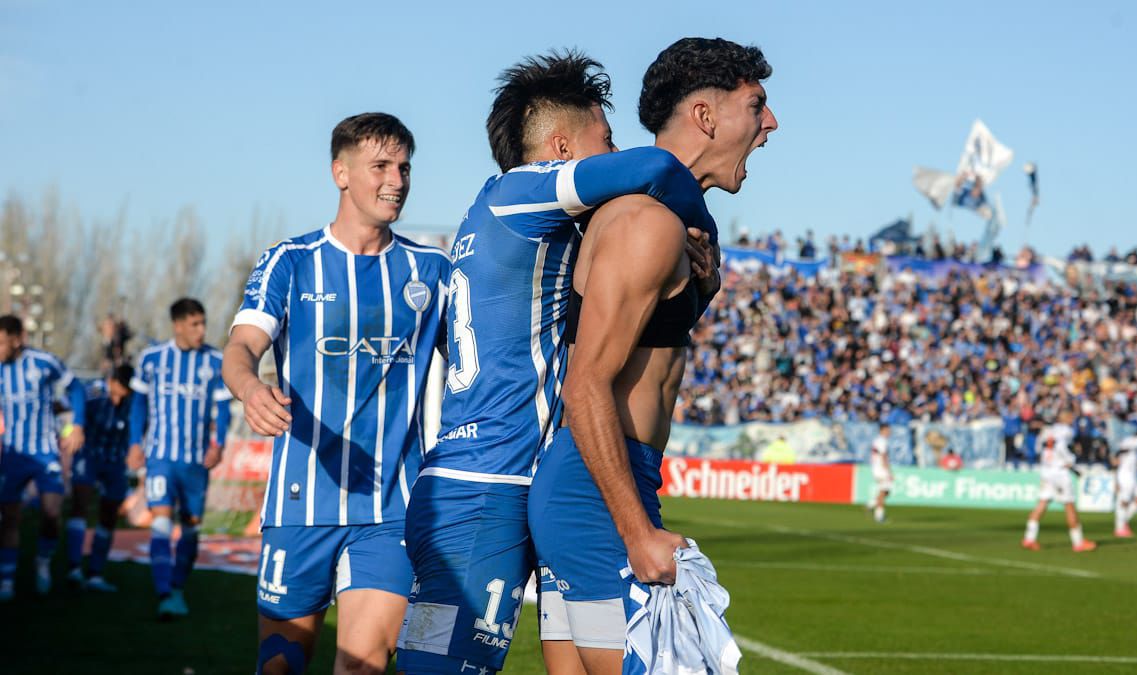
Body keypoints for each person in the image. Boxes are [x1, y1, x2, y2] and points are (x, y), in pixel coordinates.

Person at [401, 51, 713, 675]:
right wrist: (698, 227)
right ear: (562, 147)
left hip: (490, 483)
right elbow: (657, 166)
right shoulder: (521, 190)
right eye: (605, 139)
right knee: (437, 667)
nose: (616, 151)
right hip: (489, 487)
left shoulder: (502, 220)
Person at [528, 37, 777, 673]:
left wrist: (701, 294)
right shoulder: (646, 222)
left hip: (599, 485)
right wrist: (636, 532)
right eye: (757, 105)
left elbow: (640, 356)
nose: (770, 124)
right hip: (598, 494)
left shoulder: (667, 220)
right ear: (705, 116)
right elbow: (585, 386)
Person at [222, 112, 450, 675]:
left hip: (393, 505)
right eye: (380, 166)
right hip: (300, 500)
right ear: (340, 173)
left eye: (404, 167)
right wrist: (251, 388)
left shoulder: (433, 270)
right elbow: (241, 347)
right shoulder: (290, 261)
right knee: (280, 663)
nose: (396, 180)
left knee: (364, 663)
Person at [126, 298, 232, 618]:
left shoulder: (215, 361)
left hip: (195, 462)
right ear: (178, 325)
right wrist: (134, 443)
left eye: (203, 323)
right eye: (194, 324)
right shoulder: (151, 359)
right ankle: (164, 593)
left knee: (191, 529)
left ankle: (177, 587)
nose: (201, 330)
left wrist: (220, 443)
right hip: (160, 457)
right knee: (160, 521)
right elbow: (138, 406)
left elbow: (224, 409)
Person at [0, 314, 86, 601]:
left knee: (51, 513)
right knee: (9, 518)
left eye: (0, 342)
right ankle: (8, 580)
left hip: (45, 450)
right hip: (12, 454)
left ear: (16, 340)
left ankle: (43, 562)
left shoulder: (43, 362)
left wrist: (77, 427)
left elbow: (76, 388)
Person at [65, 364, 136, 592]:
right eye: (115, 393)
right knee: (80, 505)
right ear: (110, 382)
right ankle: (74, 568)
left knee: (109, 515)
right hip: (88, 455)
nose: (117, 401)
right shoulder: (92, 391)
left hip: (115, 460)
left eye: (122, 396)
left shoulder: (135, 400)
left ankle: (95, 573)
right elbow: (66, 405)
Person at [1021, 411, 1096, 552]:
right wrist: (1070, 461)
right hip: (1059, 473)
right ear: (1064, 418)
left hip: (1046, 471)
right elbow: (1061, 447)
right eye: (1070, 416)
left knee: (1042, 503)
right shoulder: (1066, 430)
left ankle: (1029, 538)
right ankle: (1078, 542)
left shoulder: (1047, 430)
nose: (1071, 418)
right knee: (1069, 505)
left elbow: (1039, 448)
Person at [1113, 423, 1137, 537]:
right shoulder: (1128, 442)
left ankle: (1123, 523)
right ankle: (1120, 528)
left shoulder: (1131, 447)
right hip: (1126, 476)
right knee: (1124, 501)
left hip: (1133, 476)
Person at [867, 426, 893, 522]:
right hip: (881, 469)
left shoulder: (878, 440)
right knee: (883, 492)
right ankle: (879, 516)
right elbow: (883, 456)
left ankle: (871, 504)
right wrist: (888, 471)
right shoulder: (882, 441)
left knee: (886, 491)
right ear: (882, 430)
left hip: (877, 468)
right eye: (887, 430)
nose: (889, 432)